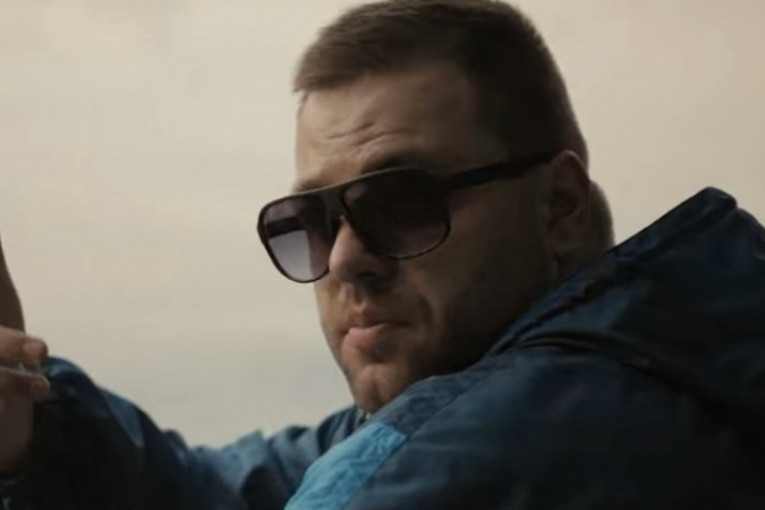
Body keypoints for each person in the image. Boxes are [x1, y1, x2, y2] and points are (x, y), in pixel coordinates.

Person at [2, 0, 765, 508]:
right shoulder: (651, 363)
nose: (343, 260)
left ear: (557, 206)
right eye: (307, 220)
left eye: (399, 203)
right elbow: (226, 493)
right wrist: (29, 429)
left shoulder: (508, 442)